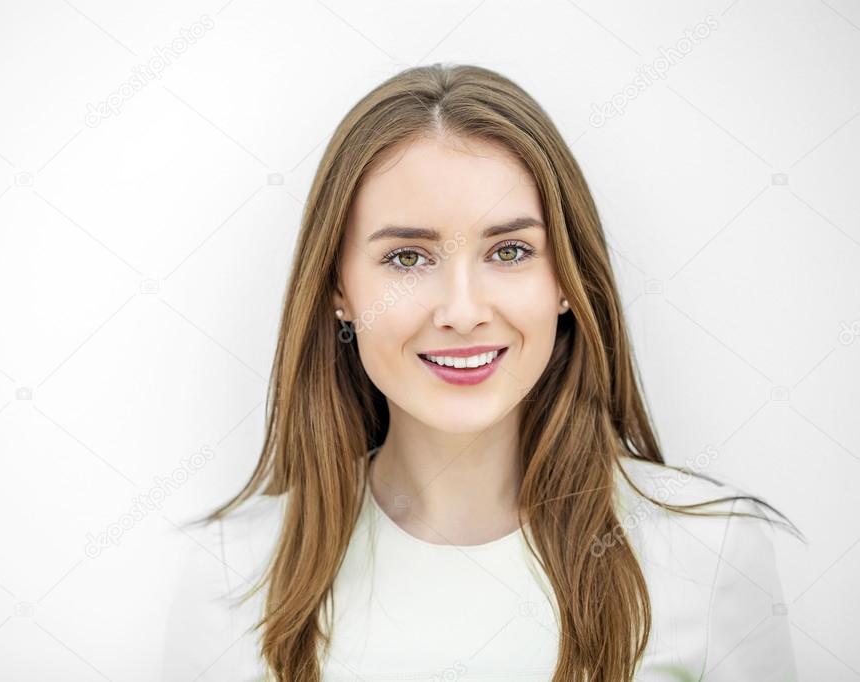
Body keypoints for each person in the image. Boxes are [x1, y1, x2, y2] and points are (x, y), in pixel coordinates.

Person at [162, 63, 801, 681]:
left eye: (510, 250)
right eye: (408, 256)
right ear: (339, 288)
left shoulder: (712, 553)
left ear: (566, 282)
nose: (463, 312)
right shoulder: (232, 574)